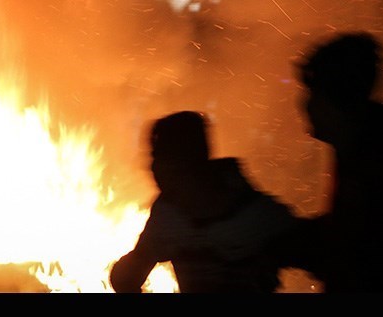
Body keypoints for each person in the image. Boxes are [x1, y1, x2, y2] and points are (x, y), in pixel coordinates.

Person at [110, 111, 306, 293]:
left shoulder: (253, 215)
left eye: (160, 158)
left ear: (185, 163)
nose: (152, 168)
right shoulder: (169, 213)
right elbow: (127, 277)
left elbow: (320, 254)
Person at [296, 32, 383, 292]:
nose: (305, 105)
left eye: (313, 94)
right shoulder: (362, 143)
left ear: (336, 102)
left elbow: (364, 250)